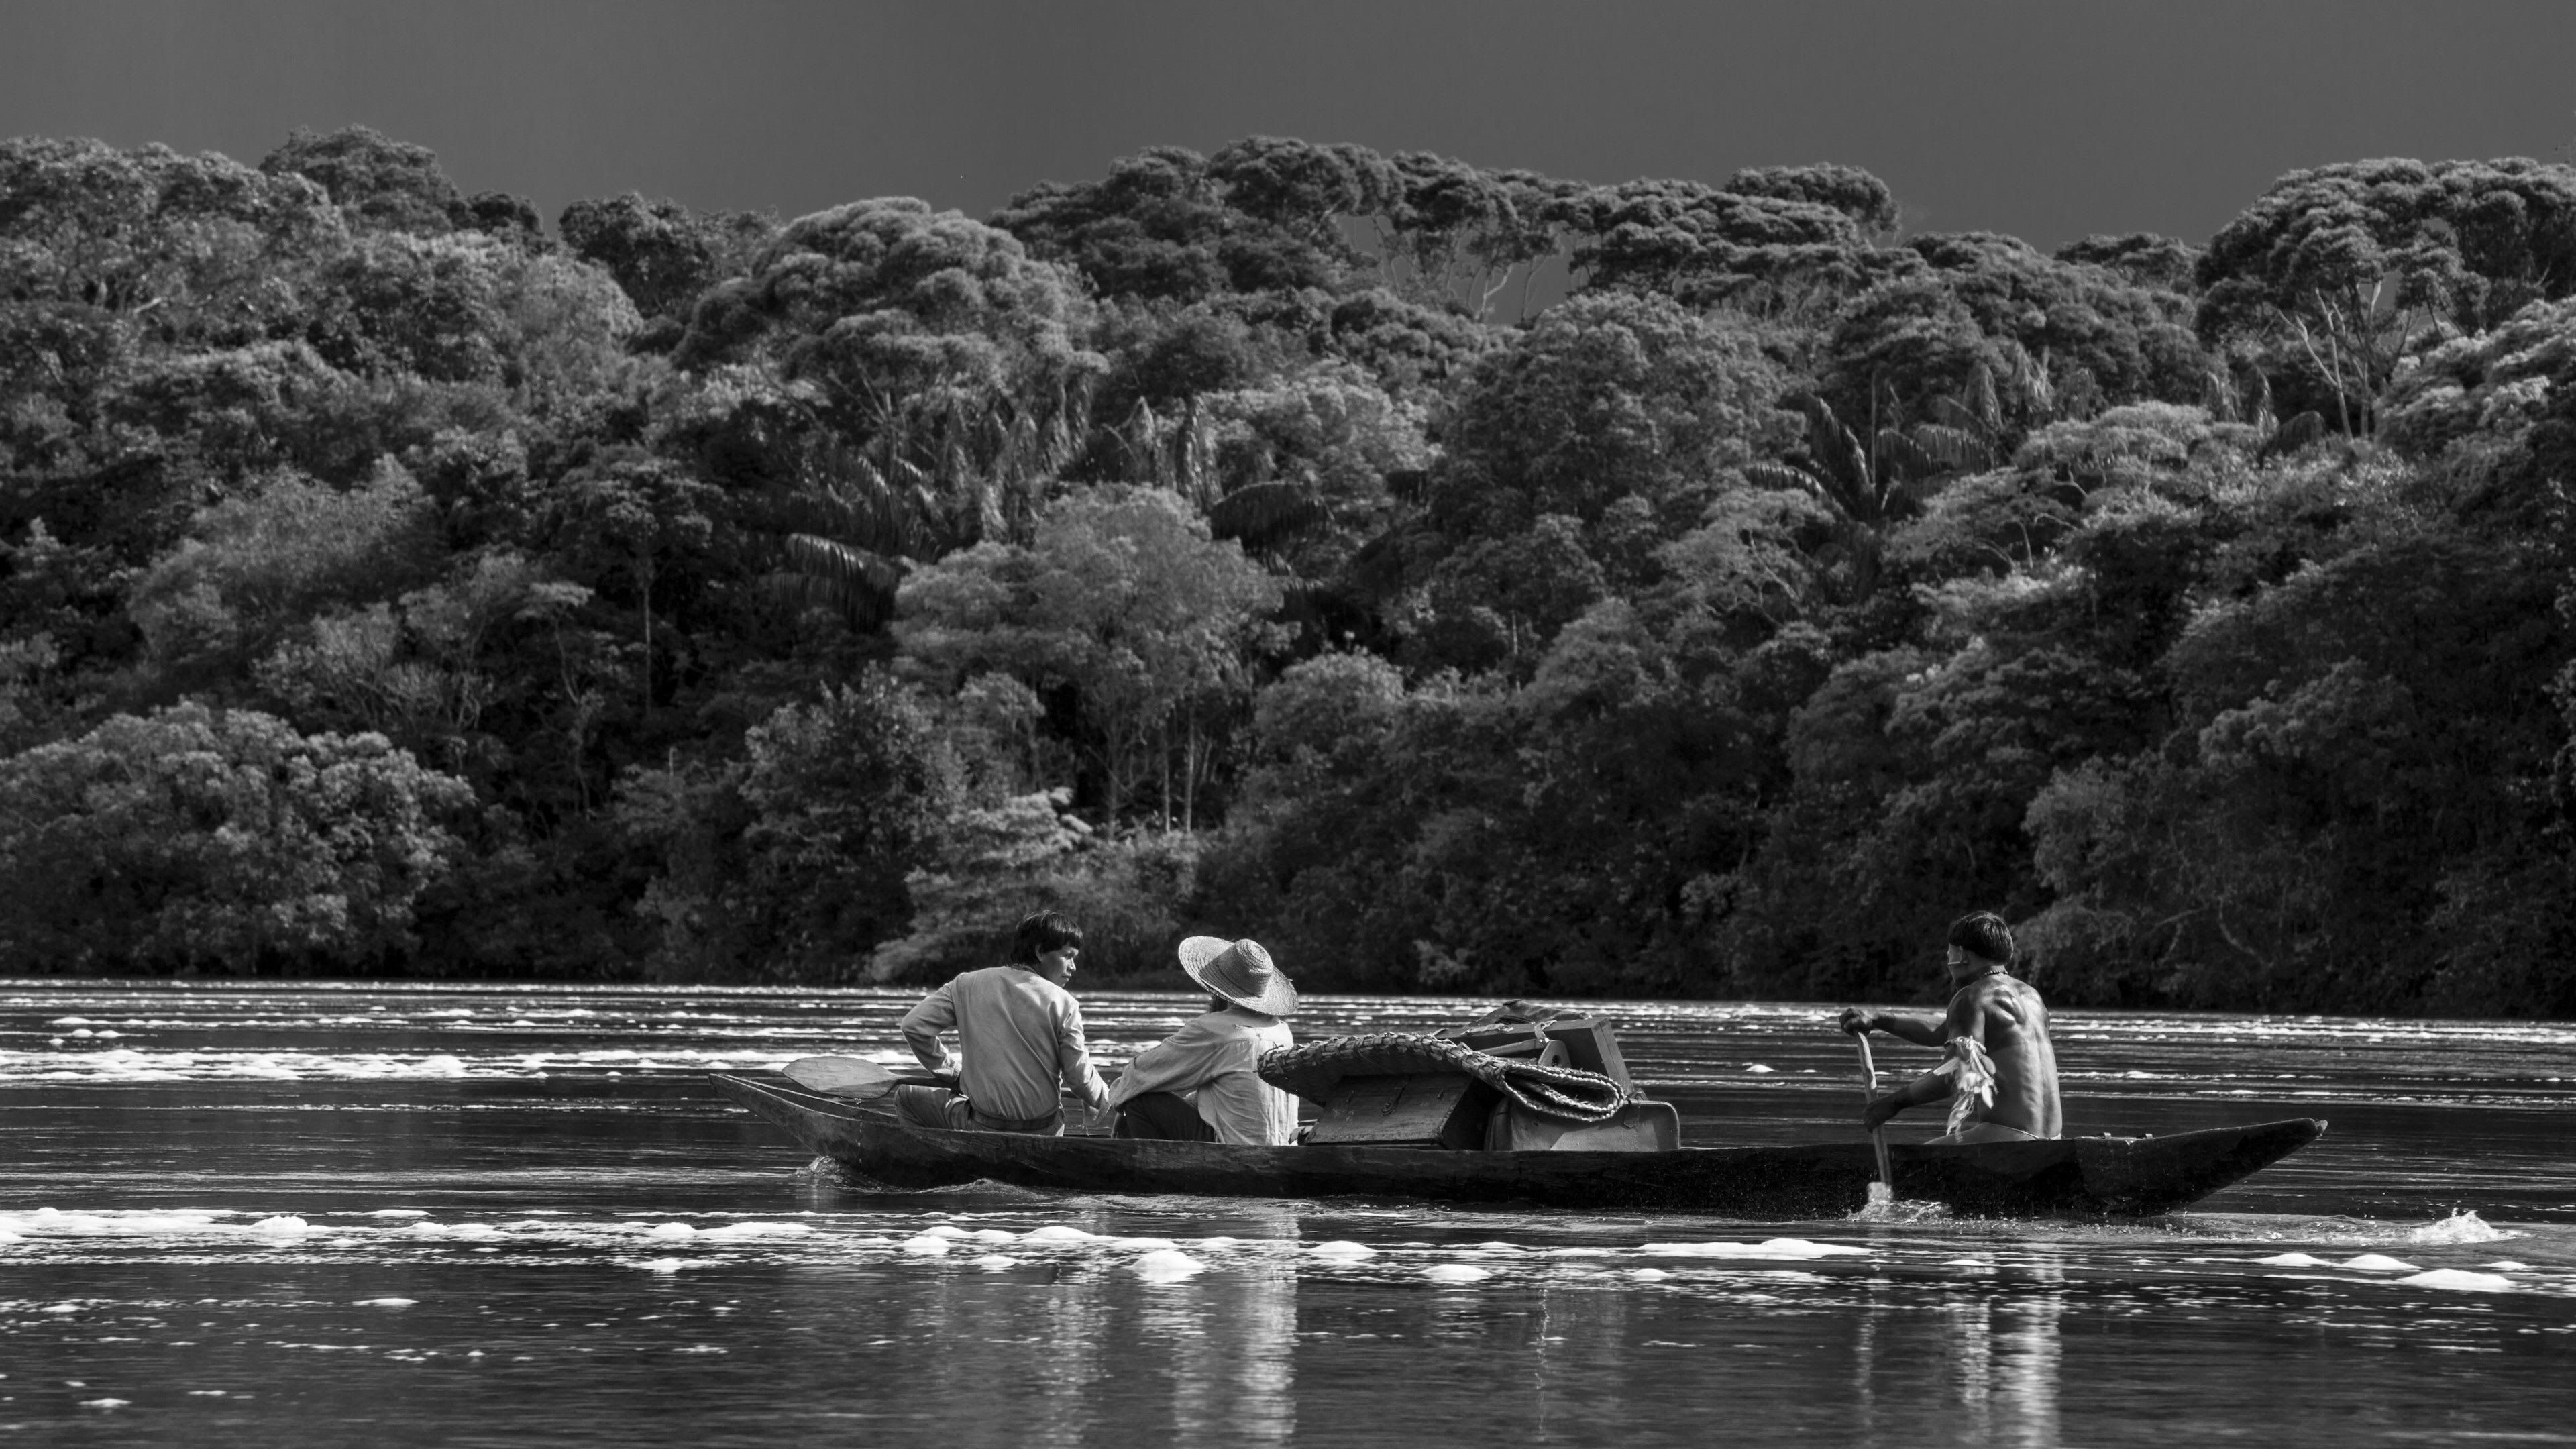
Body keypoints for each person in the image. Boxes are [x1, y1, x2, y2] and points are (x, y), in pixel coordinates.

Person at [1839, 910, 2062, 1144]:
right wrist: (1877, 1019)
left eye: (1950, 952)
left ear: (1962, 954)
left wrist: (1893, 1102)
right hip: (2054, 1141)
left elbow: (1958, 1071)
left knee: (1918, 1163)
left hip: (2011, 1141)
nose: (1948, 960)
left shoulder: (1972, 996)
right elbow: (1943, 1031)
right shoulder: (2032, 998)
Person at [894, 910, 1112, 1135]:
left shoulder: (964, 985)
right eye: (1068, 956)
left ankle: (932, 1158)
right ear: (1039, 951)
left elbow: (913, 1026)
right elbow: (1079, 1079)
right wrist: (1104, 1098)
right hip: (1045, 1131)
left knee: (906, 1096)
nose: (1073, 967)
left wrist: (955, 1074)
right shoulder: (1065, 1002)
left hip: (982, 1126)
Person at [1106, 936, 1300, 1146]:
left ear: (1217, 989)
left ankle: (1153, 1171)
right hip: (1282, 1149)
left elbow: (1138, 1074)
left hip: (1232, 1153)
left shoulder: (1215, 1028)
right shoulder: (1282, 1032)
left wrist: (1120, 1100)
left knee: (1139, 1100)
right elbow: (1229, 1092)